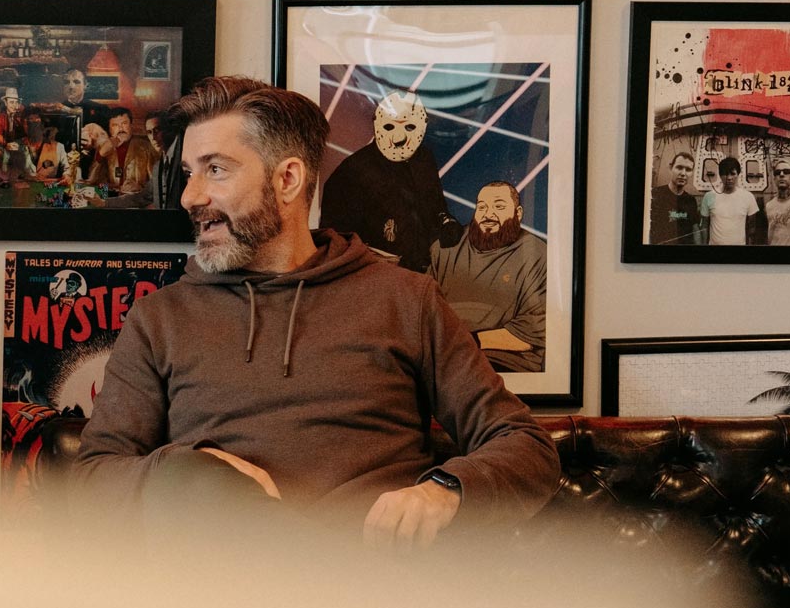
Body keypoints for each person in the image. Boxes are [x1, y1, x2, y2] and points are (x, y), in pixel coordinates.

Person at [75, 75, 562, 546]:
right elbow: (95, 477)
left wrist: (443, 491)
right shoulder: (160, 319)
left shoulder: (406, 300)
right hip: (226, 597)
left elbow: (526, 446)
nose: (190, 196)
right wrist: (190, 473)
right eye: (188, 173)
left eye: (215, 169)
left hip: (373, 597)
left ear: (287, 179)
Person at [317, 89, 460, 273]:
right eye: (389, 127)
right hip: (373, 276)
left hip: (421, 271)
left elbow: (436, 205)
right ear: (376, 126)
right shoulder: (350, 173)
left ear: (423, 126)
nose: (398, 138)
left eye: (409, 127)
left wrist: (446, 222)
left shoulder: (424, 158)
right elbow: (334, 244)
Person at [425, 182, 547, 373]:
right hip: (443, 363)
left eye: (499, 206)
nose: (488, 214)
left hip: (504, 364)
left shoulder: (538, 255)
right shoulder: (445, 249)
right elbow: (424, 311)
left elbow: (530, 334)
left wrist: (467, 342)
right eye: (482, 206)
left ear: (518, 213)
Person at [650, 149, 703, 246]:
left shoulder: (691, 200)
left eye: (688, 170)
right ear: (671, 168)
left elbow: (695, 229)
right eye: (679, 167)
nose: (683, 173)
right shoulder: (655, 195)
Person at [700, 157, 758, 246]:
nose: (729, 178)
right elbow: (704, 226)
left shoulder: (748, 197)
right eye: (726, 174)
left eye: (733, 173)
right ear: (720, 175)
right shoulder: (709, 196)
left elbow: (752, 229)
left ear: (738, 174)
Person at [761, 159, 790, 247]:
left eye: (786, 172)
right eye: (777, 173)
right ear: (774, 178)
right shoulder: (769, 206)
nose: (781, 175)